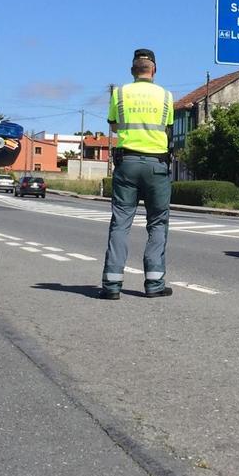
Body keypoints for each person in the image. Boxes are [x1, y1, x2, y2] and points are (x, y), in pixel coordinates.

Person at [100, 49, 174, 300]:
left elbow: (113, 125)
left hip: (127, 163)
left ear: (132, 70)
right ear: (154, 70)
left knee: (120, 222)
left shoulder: (119, 93)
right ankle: (154, 284)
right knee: (158, 223)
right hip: (157, 165)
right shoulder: (166, 96)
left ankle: (112, 286)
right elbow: (167, 128)